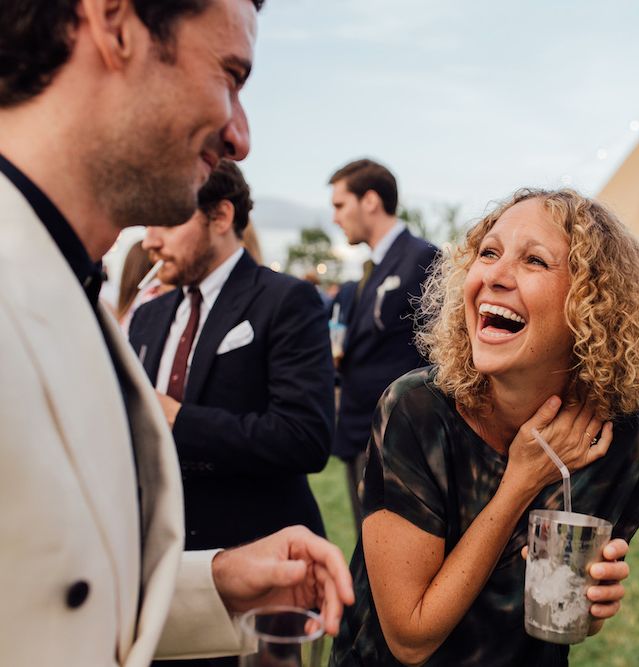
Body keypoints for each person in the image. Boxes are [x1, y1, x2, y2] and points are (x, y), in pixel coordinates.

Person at [0, 2, 353, 666]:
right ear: (115, 24)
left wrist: (214, 582)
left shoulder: (77, 291)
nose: (240, 135)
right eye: (231, 74)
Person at [330, 188, 639, 666]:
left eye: (534, 261)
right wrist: (521, 480)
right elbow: (410, 638)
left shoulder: (622, 441)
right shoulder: (418, 410)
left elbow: (559, 607)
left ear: (591, 304)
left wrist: (590, 605)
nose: (495, 275)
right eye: (488, 252)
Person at [129, 160, 332, 556]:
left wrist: (177, 419)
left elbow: (305, 438)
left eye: (166, 222)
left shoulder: (285, 300)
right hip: (162, 555)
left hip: (257, 548)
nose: (148, 242)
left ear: (221, 216)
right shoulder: (148, 315)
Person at [328, 158, 438, 526]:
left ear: (370, 201)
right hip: (357, 433)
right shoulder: (367, 271)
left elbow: (436, 351)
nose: (335, 217)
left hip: (395, 439)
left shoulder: (422, 258)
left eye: (340, 205)